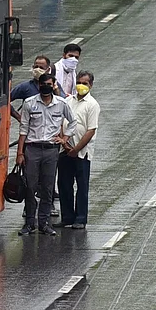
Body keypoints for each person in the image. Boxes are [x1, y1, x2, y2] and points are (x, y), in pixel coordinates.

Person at [16, 72, 75, 236]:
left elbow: (73, 121)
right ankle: (29, 223)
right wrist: (20, 153)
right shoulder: (29, 103)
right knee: (30, 187)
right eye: (43, 85)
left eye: (49, 84)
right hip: (32, 149)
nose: (46, 87)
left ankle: (44, 224)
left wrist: (64, 139)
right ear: (39, 86)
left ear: (53, 85)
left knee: (48, 188)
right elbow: (23, 129)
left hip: (51, 150)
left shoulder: (61, 104)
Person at [56, 72, 100, 230]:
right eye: (79, 82)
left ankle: (80, 219)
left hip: (82, 153)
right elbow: (61, 122)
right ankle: (67, 217)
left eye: (85, 83)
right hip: (65, 150)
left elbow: (91, 130)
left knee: (82, 186)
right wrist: (65, 143)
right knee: (64, 184)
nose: (81, 85)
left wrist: (76, 149)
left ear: (91, 85)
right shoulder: (68, 101)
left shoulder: (92, 105)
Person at [10, 55, 53, 123]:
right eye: (36, 67)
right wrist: (18, 117)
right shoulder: (25, 87)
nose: (38, 69)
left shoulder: (54, 86)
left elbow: (63, 102)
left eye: (41, 68)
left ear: (48, 70)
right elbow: (6, 100)